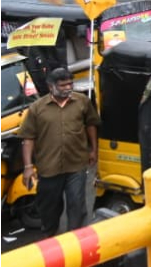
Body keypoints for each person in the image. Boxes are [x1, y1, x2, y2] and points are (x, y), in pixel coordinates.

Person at [20, 67, 100, 238]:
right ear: (51, 87)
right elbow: (28, 138)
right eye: (63, 85)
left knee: (77, 205)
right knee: (49, 208)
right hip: (49, 169)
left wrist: (94, 150)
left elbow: (91, 125)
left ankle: (75, 242)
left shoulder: (82, 102)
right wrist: (28, 166)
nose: (68, 88)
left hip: (76, 164)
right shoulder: (37, 109)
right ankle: (51, 239)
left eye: (70, 84)